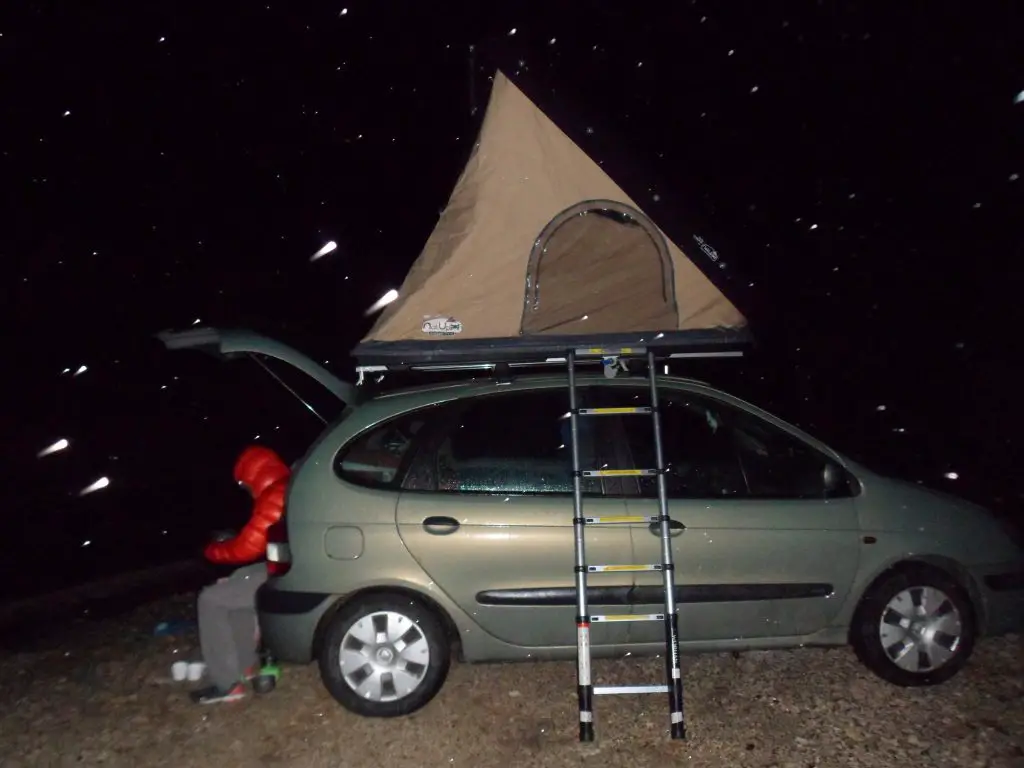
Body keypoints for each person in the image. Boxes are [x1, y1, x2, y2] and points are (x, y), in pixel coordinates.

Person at [189, 445, 290, 704]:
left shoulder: (275, 495)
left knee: (211, 599)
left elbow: (247, 547)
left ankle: (226, 684)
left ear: (255, 476)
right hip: (289, 563)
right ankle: (245, 663)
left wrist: (214, 550)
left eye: (245, 484)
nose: (246, 490)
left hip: (289, 572)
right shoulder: (288, 485)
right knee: (238, 582)